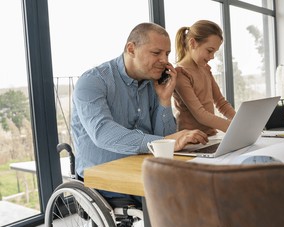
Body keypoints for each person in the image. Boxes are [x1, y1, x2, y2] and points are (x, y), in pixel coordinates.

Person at [71, 22, 208, 206]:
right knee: (178, 197)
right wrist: (165, 142)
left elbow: (162, 137)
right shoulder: (92, 82)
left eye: (167, 54)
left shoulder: (152, 83)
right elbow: (103, 133)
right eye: (156, 53)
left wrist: (164, 100)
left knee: (203, 184)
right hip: (102, 173)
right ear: (131, 49)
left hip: (142, 166)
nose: (164, 60)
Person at [173, 20, 236, 136]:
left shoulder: (205, 69)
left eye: (215, 52)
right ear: (193, 43)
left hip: (210, 136)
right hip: (191, 140)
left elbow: (221, 103)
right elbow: (201, 115)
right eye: (209, 51)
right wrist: (234, 127)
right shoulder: (181, 74)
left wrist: (240, 121)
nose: (212, 57)